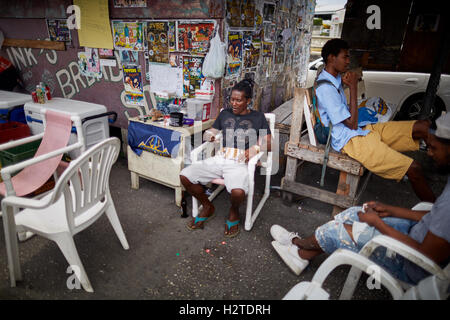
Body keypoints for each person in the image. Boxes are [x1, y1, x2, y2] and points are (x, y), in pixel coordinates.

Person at [270, 112, 450, 284]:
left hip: (412, 265)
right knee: (356, 213)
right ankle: (301, 255)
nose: (429, 153)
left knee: (334, 231)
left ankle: (297, 245)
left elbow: (426, 256)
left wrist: (379, 224)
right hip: (415, 232)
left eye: (434, 147)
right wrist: (390, 210)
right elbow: (434, 216)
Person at [315, 38, 435, 202]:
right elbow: (351, 123)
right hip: (349, 140)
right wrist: (353, 86)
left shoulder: (333, 78)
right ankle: (437, 216)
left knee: (422, 127)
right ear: (331, 58)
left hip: (361, 129)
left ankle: (439, 154)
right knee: (414, 168)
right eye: (345, 57)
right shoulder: (325, 88)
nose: (348, 61)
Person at [180, 79, 272, 238]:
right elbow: (212, 131)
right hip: (220, 157)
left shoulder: (258, 117)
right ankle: (207, 207)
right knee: (185, 175)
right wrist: (209, 136)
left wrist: (256, 148)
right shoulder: (225, 113)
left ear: (248, 101)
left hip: (239, 161)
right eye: (232, 99)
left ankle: (234, 211)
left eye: (239, 100)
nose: (234, 103)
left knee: (237, 192)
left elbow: (269, 142)